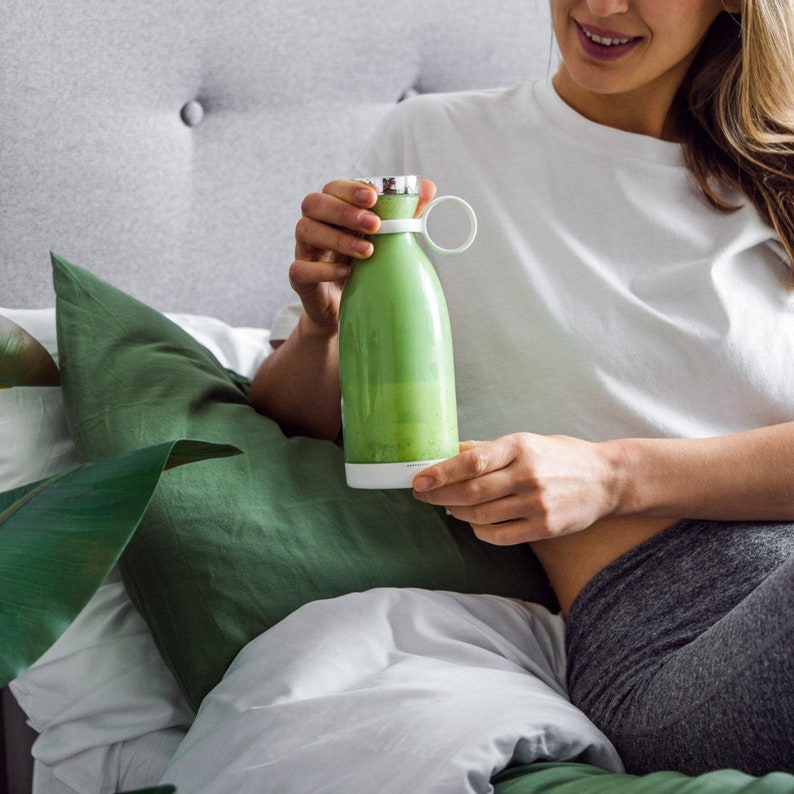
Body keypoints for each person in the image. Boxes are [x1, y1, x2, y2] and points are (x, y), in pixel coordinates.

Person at [249, 0, 794, 776]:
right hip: (671, 634)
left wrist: (614, 475)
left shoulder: (780, 176)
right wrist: (323, 330)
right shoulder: (436, 143)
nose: (602, 7)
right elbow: (288, 424)